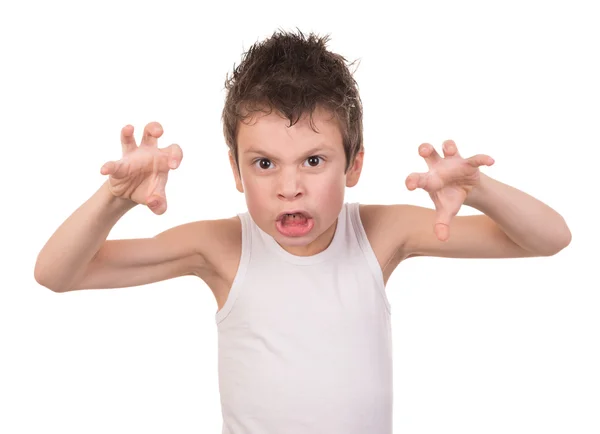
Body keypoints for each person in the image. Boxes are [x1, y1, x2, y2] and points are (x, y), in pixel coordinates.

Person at [34, 29, 571, 434]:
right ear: (236, 172)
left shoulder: (380, 234)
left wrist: (479, 190)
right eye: (264, 164)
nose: (289, 187)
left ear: (353, 166)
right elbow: (58, 274)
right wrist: (113, 198)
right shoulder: (221, 247)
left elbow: (548, 238)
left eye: (313, 161)